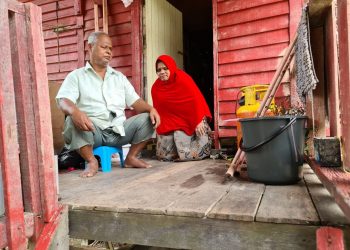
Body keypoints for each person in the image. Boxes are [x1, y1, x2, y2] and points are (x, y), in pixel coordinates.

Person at [56, 31, 160, 178]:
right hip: (92, 131)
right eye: (104, 47)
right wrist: (75, 112)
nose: (108, 52)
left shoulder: (119, 78)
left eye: (110, 49)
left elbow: (136, 102)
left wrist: (151, 109)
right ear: (90, 47)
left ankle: (131, 157)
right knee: (71, 120)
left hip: (119, 131)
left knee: (148, 118)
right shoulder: (76, 76)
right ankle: (91, 161)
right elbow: (63, 100)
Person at [151, 55, 212, 161]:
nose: (162, 72)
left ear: (171, 67)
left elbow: (197, 99)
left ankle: (187, 153)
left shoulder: (183, 79)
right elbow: (160, 111)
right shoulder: (156, 88)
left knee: (198, 138)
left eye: (165, 68)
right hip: (170, 123)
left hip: (190, 120)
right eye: (159, 70)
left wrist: (199, 120)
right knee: (164, 155)